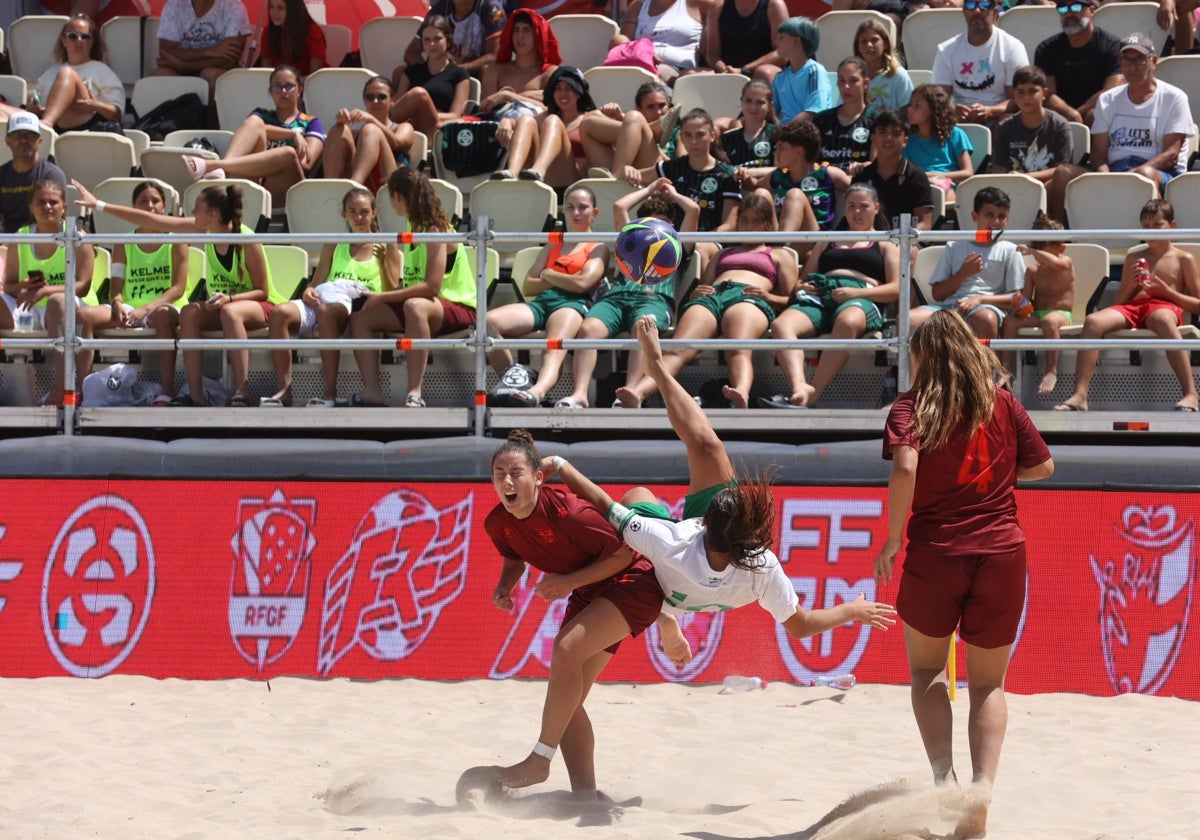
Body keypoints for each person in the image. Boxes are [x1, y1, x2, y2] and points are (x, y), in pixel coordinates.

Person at [553, 315, 896, 666]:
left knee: (636, 508)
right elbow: (801, 626)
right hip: (689, 574)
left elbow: (605, 504)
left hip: (665, 588)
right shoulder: (760, 563)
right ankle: (658, 370)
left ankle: (657, 369)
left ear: (701, 524)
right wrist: (852, 610)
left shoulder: (675, 542)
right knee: (705, 450)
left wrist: (561, 465)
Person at [875, 307, 1054, 840]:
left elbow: (905, 467)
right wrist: (997, 474)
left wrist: (892, 537)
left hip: (938, 552)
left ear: (921, 356)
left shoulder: (911, 408)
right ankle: (980, 792)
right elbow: (1044, 466)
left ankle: (943, 779)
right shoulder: (1002, 403)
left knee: (928, 673)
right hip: (1002, 552)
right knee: (988, 684)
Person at [486, 428, 669, 792]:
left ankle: (540, 759)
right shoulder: (497, 522)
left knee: (565, 650)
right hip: (589, 591)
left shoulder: (570, 513)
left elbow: (625, 555)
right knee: (565, 703)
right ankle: (584, 796)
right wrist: (505, 585)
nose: (507, 480)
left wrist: (568, 583)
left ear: (538, 478)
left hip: (632, 582)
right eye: (499, 474)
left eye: (516, 473)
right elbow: (514, 555)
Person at [75, 179, 273, 407]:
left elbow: (263, 291)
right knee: (189, 312)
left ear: (213, 214)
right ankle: (196, 395)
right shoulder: (206, 230)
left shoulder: (246, 238)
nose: (191, 213)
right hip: (223, 305)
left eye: (196, 209)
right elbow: (149, 220)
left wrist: (229, 299)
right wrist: (98, 205)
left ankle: (242, 390)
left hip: (256, 305)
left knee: (230, 312)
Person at [614, 194, 799, 409]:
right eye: (744, 220)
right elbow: (705, 284)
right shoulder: (722, 254)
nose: (749, 225)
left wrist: (769, 297)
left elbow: (792, 300)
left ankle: (740, 393)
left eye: (756, 220)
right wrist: (697, 294)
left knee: (737, 348)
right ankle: (639, 393)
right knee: (678, 349)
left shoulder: (779, 255)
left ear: (767, 225)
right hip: (713, 297)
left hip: (748, 297)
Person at [558, 178, 699, 410]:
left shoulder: (677, 247)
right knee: (588, 329)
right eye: (649, 225)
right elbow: (620, 207)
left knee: (642, 329)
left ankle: (630, 393)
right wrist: (649, 189)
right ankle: (580, 394)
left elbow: (693, 209)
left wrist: (671, 194)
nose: (654, 233)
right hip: (616, 299)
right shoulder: (630, 241)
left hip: (654, 301)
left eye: (661, 225)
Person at [1055, 198, 1200, 413]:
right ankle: (1080, 395)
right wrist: (1130, 284)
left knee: (1162, 320)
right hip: (1133, 307)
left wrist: (1167, 292)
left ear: (1172, 225)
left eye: (1158, 225)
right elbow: (1120, 302)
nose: (1152, 231)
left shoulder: (1183, 258)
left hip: (1164, 306)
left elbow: (1197, 304)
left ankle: (1191, 394)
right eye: (1146, 227)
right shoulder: (1134, 256)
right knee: (1093, 321)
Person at [348, 168, 476, 409]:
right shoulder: (411, 227)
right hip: (429, 308)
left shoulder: (436, 229)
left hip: (460, 308)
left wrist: (384, 296)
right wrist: (378, 291)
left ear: (397, 196)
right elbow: (408, 284)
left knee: (414, 306)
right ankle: (372, 391)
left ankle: (414, 393)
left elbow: (432, 287)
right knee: (361, 314)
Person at [765, 182, 899, 408]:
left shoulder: (886, 242)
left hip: (861, 297)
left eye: (863, 206)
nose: (856, 212)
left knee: (847, 321)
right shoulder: (827, 239)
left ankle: (812, 395)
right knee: (781, 326)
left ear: (876, 208)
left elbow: (896, 288)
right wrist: (802, 287)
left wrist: (853, 292)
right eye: (851, 206)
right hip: (820, 296)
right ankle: (799, 387)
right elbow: (803, 279)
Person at [264, 186, 400, 408]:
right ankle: (285, 391)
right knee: (279, 313)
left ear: (374, 212)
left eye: (364, 211)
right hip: (327, 298)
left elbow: (391, 290)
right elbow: (316, 283)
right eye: (353, 211)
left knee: (326, 312)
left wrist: (383, 263)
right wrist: (308, 291)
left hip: (358, 305)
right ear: (343, 214)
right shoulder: (334, 243)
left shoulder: (386, 244)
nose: (359, 217)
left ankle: (329, 393)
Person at [485, 186, 609, 408]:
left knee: (552, 347)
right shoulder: (554, 243)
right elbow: (529, 286)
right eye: (570, 207)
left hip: (573, 304)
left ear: (595, 212)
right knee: (486, 323)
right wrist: (566, 277)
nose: (576, 213)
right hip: (542, 302)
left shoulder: (599, 246)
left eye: (583, 208)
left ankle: (537, 392)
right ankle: (515, 381)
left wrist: (549, 274)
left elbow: (582, 285)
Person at [1048, 33, 1194, 220]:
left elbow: (1171, 155)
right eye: (1126, 60)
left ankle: (1157, 239)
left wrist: (1134, 175)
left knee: (1145, 173)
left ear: (1154, 61)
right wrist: (1106, 177)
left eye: (1139, 59)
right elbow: (1099, 155)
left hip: (1160, 173)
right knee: (1062, 173)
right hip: (1116, 168)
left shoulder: (1174, 97)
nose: (1132, 66)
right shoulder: (1107, 99)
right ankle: (1055, 237)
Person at [1, 180, 98, 406]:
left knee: (57, 302)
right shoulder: (20, 236)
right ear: (31, 208)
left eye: (53, 202)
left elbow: (82, 285)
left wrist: (44, 290)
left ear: (64, 206)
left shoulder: (78, 236)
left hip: (72, 306)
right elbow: (10, 285)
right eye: (41, 202)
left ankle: (63, 388)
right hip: (30, 308)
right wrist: (25, 286)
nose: (47, 207)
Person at [181, 65, 325, 209]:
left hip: (288, 189)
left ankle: (216, 165)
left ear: (299, 90)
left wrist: (276, 155)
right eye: (277, 87)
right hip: (255, 183)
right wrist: (292, 134)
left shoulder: (311, 122)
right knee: (254, 122)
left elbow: (306, 163)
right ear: (270, 91)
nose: (283, 91)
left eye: (289, 86)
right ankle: (225, 169)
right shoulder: (262, 115)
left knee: (287, 153)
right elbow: (254, 129)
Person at [102, 180, 191, 405]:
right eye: (143, 201)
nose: (149, 205)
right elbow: (116, 287)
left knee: (161, 315)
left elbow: (178, 289)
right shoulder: (123, 242)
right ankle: (83, 388)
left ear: (164, 207)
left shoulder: (177, 240)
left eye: (155, 201)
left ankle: (167, 388)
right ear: (133, 206)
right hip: (132, 308)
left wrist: (145, 309)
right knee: (84, 317)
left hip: (164, 307)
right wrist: (118, 303)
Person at [910, 186, 1025, 340]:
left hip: (986, 309)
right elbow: (937, 294)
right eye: (989, 215)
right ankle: (917, 365)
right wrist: (963, 273)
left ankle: (984, 365)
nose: (996, 222)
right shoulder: (954, 245)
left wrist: (979, 299)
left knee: (986, 318)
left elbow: (1018, 299)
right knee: (908, 319)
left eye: (1001, 216)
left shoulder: (1011, 250)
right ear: (975, 216)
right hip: (948, 308)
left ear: (1007, 219)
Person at [635, 108, 740, 266]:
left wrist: (698, 239)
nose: (694, 142)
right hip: (672, 238)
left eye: (700, 135)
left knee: (698, 250)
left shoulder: (727, 175)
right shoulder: (673, 167)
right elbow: (636, 177)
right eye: (688, 135)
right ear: (681, 137)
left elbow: (729, 225)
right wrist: (628, 171)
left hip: (709, 243)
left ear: (712, 136)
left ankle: (702, 291)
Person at [998, 217, 1074, 395]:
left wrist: (1032, 251)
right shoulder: (1033, 270)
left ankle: (1051, 370)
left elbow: (1055, 263)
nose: (1039, 258)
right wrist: (1020, 306)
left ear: (1060, 248)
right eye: (1037, 252)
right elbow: (1026, 298)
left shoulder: (1066, 263)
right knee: (1010, 321)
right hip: (1037, 313)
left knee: (1050, 321)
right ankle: (1005, 371)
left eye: (1042, 253)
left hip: (1061, 315)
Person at [491, 65, 599, 186]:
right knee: (526, 120)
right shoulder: (544, 116)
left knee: (552, 120)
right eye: (558, 88)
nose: (563, 93)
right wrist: (507, 121)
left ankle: (538, 171)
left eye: (569, 88)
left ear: (579, 92)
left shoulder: (591, 117)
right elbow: (520, 125)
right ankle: (512, 173)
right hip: (541, 181)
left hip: (572, 183)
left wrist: (618, 116)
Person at [476, 8, 559, 156]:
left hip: (535, 141)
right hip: (495, 139)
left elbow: (551, 109)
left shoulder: (550, 72)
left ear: (538, 35)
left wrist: (509, 96)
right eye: (515, 30)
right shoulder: (494, 70)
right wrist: (529, 96)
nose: (520, 36)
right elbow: (486, 108)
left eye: (527, 30)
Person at [931, 0, 1027, 125]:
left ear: (995, 12)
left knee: (1007, 121)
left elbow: (1018, 98)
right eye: (970, 5)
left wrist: (990, 111)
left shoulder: (1012, 48)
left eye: (984, 5)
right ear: (964, 12)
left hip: (997, 119)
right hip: (958, 121)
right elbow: (939, 98)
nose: (976, 11)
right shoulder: (946, 50)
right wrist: (952, 111)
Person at [26, 14, 124, 134]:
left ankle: (47, 124)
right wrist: (31, 109)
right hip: (56, 127)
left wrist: (95, 105)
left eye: (85, 37)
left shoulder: (102, 71)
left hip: (86, 127)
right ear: (63, 40)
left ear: (92, 41)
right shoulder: (49, 73)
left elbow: (117, 115)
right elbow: (37, 101)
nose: (79, 40)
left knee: (66, 73)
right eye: (73, 36)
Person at [756, 118, 846, 247]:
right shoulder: (777, 176)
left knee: (795, 195)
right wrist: (741, 173)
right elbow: (753, 184)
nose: (775, 153)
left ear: (798, 151)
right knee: (761, 193)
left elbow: (858, 189)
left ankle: (780, 247)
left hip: (816, 242)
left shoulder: (827, 174)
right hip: (780, 237)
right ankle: (759, 246)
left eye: (781, 148)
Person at [1032, 0, 1122, 127]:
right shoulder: (1046, 49)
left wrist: (1078, 113)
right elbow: (1047, 93)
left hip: (1097, 116)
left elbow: (1111, 90)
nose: (1069, 14)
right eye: (1063, 8)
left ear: (1092, 11)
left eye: (1076, 7)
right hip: (1059, 117)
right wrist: (1069, 113)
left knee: (1094, 115)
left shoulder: (1112, 46)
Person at [321, 76, 415, 192]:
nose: (375, 101)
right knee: (338, 130)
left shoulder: (403, 127)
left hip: (389, 187)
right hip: (365, 183)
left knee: (370, 130)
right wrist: (341, 120)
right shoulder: (361, 132)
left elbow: (397, 142)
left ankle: (352, 189)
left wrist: (372, 120)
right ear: (364, 100)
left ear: (392, 100)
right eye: (370, 97)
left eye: (382, 97)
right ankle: (330, 191)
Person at [991, 66, 1074, 190]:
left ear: (1044, 93)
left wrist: (1026, 177)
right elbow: (999, 168)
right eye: (1020, 92)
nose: (1026, 98)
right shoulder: (1005, 127)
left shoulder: (1059, 125)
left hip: (1048, 187)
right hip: (1014, 187)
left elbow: (1062, 170)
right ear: (1013, 95)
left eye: (1032, 91)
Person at [853, 110, 936, 233]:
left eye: (896, 133)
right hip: (867, 244)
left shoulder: (916, 176)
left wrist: (895, 239)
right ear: (873, 138)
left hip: (905, 244)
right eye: (882, 132)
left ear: (905, 141)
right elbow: (852, 219)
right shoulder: (862, 176)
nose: (888, 138)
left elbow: (924, 224)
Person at [152, 0, 252, 102]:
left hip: (221, 73)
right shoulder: (173, 5)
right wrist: (211, 51)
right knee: (160, 75)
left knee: (211, 75)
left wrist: (184, 66)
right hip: (182, 71)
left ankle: (209, 118)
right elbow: (165, 54)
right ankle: (170, 117)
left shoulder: (234, 7)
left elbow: (229, 61)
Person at [390, 16, 471, 141]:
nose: (432, 44)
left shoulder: (459, 74)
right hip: (407, 128)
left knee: (419, 94)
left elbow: (456, 115)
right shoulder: (410, 72)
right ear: (422, 44)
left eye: (437, 39)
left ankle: (381, 123)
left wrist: (424, 112)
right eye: (427, 40)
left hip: (438, 131)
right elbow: (399, 109)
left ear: (448, 41)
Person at [580, 82, 674, 185]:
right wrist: (623, 121)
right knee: (588, 122)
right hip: (627, 172)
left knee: (634, 117)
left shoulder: (681, 131)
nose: (658, 112)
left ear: (669, 105)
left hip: (655, 175)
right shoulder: (634, 120)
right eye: (650, 107)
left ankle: (617, 177)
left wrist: (658, 150)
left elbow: (683, 165)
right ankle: (648, 129)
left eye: (662, 105)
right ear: (639, 109)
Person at [903, 84, 973, 204]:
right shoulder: (907, 139)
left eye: (917, 105)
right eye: (911, 104)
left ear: (933, 109)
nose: (910, 109)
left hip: (947, 186)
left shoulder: (955, 134)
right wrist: (925, 177)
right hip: (917, 185)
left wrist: (938, 176)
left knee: (938, 191)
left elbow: (968, 172)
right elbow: (904, 171)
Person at [0, 112, 68, 234]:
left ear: (39, 141)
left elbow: (54, 221)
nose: (24, 140)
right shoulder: (2, 174)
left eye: (30, 136)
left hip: (41, 241)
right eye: (17, 135)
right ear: (7, 141)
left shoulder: (52, 175)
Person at [401, 0, 506, 78]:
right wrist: (431, 74)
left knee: (487, 70)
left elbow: (497, 54)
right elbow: (411, 53)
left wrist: (456, 71)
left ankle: (484, 108)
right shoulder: (440, 8)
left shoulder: (492, 9)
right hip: (443, 73)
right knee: (400, 73)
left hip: (475, 75)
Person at [808, 57, 874, 174]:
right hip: (824, 186)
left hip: (858, 186)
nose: (846, 87)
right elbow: (810, 160)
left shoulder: (875, 121)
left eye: (853, 81)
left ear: (866, 83)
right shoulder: (822, 120)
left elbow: (875, 163)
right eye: (842, 81)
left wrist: (863, 166)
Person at [613, 0, 707, 81]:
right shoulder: (637, 6)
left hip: (680, 69)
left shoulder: (699, 3)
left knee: (651, 72)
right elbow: (623, 48)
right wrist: (643, 53)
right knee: (618, 40)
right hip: (640, 64)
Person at [702, 0, 789, 83]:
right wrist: (726, 71)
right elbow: (712, 55)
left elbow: (783, 54)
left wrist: (743, 70)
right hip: (727, 73)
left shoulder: (774, 5)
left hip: (761, 72)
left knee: (764, 72)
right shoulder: (717, 7)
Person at [771, 16, 832, 124]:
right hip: (784, 136)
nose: (776, 42)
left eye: (781, 37)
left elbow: (812, 113)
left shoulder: (815, 71)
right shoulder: (780, 77)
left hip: (807, 136)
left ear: (796, 40)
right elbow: (770, 112)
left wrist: (782, 132)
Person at [854, 18, 913, 121]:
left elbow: (908, 113)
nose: (869, 45)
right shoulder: (853, 76)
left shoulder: (898, 75)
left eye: (874, 40)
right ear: (858, 47)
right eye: (863, 41)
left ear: (885, 43)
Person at [719, 80, 777, 182]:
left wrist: (749, 173)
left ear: (770, 106)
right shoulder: (728, 138)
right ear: (741, 102)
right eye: (748, 100)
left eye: (760, 102)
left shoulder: (777, 134)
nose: (753, 107)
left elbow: (784, 169)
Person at [257, 0, 326, 77]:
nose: (274, 12)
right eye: (271, 7)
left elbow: (315, 77)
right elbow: (266, 74)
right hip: (279, 86)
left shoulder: (313, 32)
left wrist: (288, 83)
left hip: (308, 85)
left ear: (293, 10)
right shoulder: (268, 32)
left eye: (280, 8)